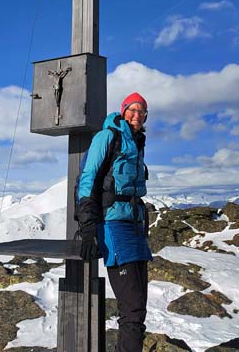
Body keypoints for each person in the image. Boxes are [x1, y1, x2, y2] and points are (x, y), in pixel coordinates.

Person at [76, 91, 152, 352]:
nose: (137, 115)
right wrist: (88, 230)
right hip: (113, 226)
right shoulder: (108, 137)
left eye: (141, 111)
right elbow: (88, 180)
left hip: (134, 227)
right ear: (122, 111)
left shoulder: (137, 142)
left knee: (138, 307)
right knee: (131, 308)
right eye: (132, 110)